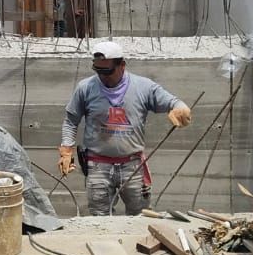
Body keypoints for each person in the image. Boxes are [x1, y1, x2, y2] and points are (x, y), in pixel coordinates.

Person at [57, 41, 193, 216]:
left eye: (108, 71)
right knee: (100, 219)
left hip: (133, 166)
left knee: (141, 217)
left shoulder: (143, 87)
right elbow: (70, 120)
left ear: (122, 65)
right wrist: (66, 150)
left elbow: (172, 102)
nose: (102, 76)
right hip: (98, 166)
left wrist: (180, 108)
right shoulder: (86, 88)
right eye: (98, 71)